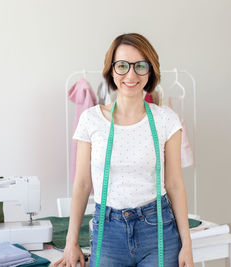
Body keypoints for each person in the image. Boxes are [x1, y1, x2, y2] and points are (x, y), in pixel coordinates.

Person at [55, 33, 194, 267]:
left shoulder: (166, 120)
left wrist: (187, 245)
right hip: (108, 234)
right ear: (111, 70)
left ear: (150, 71)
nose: (131, 75)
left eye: (140, 66)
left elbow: (174, 184)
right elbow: (82, 184)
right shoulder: (91, 120)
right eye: (122, 66)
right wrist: (71, 242)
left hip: (157, 230)